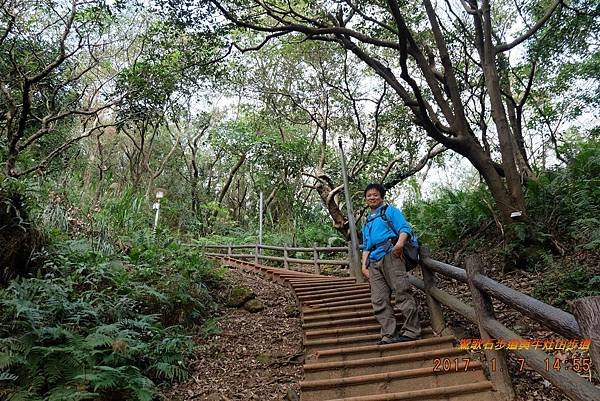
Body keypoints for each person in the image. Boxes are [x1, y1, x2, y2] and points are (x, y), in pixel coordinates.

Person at [361, 183, 421, 345]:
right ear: (365, 199)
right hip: (374, 261)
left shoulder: (390, 211)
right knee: (379, 299)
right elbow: (366, 246)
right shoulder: (367, 221)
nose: (372, 197)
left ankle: (412, 331)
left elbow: (404, 228)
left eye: (375, 195)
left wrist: (399, 245)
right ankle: (388, 334)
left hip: (391, 255)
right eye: (369, 195)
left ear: (381, 196)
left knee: (402, 292)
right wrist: (363, 265)